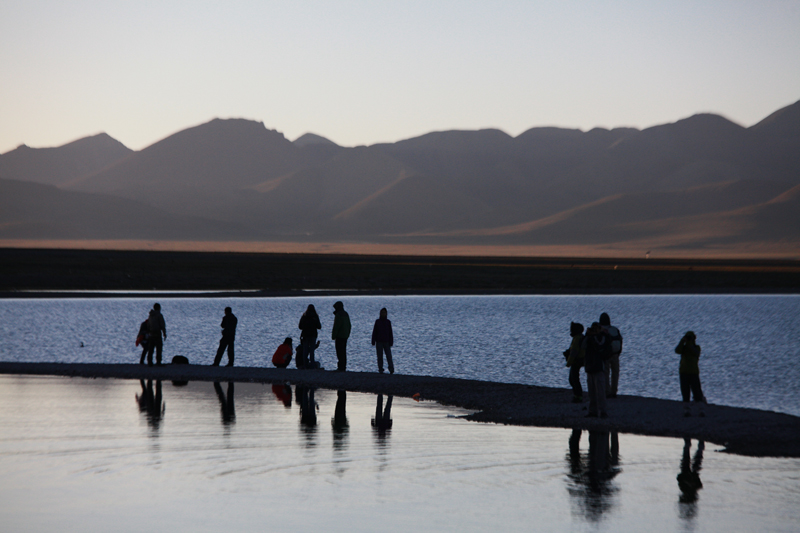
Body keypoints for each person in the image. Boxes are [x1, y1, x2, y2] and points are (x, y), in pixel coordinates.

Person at [582, 322, 609, 418]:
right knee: (592, 392)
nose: (594, 330)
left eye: (595, 328)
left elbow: (600, 346)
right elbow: (583, 346)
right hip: (590, 368)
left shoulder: (602, 337)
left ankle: (603, 411)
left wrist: (595, 336)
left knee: (600, 392)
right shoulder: (589, 338)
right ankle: (593, 411)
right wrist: (587, 335)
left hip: (598, 368)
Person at [676, 331, 705, 417]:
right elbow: (677, 350)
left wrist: (689, 343)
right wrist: (682, 341)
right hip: (684, 372)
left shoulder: (696, 347)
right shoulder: (683, 348)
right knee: (685, 392)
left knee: (697, 392)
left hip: (693, 372)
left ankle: (701, 409)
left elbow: (696, 353)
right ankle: (686, 410)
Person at [599, 312, 623, 398]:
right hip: (616, 354)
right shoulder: (615, 329)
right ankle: (614, 391)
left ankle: (607, 391)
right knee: (615, 373)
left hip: (606, 355)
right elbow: (620, 340)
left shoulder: (601, 330)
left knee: (606, 373)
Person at [565, 322, 585, 403]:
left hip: (576, 361)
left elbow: (574, 352)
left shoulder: (577, 338)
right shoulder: (581, 337)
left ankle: (578, 396)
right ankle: (577, 395)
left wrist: (569, 362)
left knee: (573, 379)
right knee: (574, 379)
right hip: (580, 360)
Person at [372, 307, 394, 374]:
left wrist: (391, 341)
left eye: (384, 312)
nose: (383, 314)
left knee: (389, 356)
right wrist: (373, 340)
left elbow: (390, 333)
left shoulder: (388, 322)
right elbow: (374, 331)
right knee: (379, 356)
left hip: (386, 341)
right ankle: (380, 368)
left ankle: (391, 369)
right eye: (382, 312)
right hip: (379, 341)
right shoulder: (377, 322)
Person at [331, 301, 351, 372]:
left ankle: (340, 367)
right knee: (343, 351)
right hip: (345, 336)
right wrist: (348, 334)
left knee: (339, 352)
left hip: (339, 336)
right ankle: (343, 366)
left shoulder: (338, 315)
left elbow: (336, 326)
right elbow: (349, 325)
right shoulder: (346, 314)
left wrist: (333, 336)